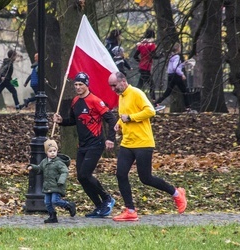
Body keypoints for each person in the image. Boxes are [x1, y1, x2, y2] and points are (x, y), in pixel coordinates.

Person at [107, 71, 187, 221]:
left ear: (123, 81)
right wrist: (119, 123)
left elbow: (150, 111)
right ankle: (130, 210)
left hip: (143, 143)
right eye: (111, 86)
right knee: (120, 174)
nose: (113, 89)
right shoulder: (121, 96)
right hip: (127, 143)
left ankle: (177, 193)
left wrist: (130, 118)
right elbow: (124, 115)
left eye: (114, 85)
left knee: (146, 178)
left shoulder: (136, 93)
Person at [53, 72, 117, 218]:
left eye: (81, 84)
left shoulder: (95, 100)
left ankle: (107, 198)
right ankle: (100, 206)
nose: (78, 87)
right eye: (76, 84)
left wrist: (110, 139)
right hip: (82, 145)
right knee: (81, 177)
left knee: (85, 174)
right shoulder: (75, 101)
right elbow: (73, 120)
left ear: (87, 84)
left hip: (96, 143)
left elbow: (111, 119)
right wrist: (61, 121)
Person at [27, 139, 76, 224]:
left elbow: (64, 171)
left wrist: (61, 180)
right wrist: (33, 167)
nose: (53, 153)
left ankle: (69, 205)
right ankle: (52, 216)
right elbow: (39, 169)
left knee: (55, 200)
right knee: (47, 202)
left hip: (57, 185)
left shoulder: (59, 162)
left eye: (54, 151)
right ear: (46, 152)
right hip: (47, 185)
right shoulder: (44, 162)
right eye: (50, 151)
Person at [154, 43, 191, 111]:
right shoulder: (177, 56)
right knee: (185, 91)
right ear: (178, 49)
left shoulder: (171, 56)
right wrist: (182, 74)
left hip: (170, 76)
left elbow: (176, 66)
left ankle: (156, 103)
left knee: (167, 92)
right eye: (180, 48)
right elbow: (175, 67)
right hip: (176, 76)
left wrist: (183, 64)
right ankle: (188, 107)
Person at [133, 28, 160, 102]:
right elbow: (153, 56)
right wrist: (161, 56)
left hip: (142, 67)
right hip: (147, 68)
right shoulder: (152, 45)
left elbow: (135, 56)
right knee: (152, 85)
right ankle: (154, 102)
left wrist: (141, 61)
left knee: (140, 85)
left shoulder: (141, 44)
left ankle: (133, 97)